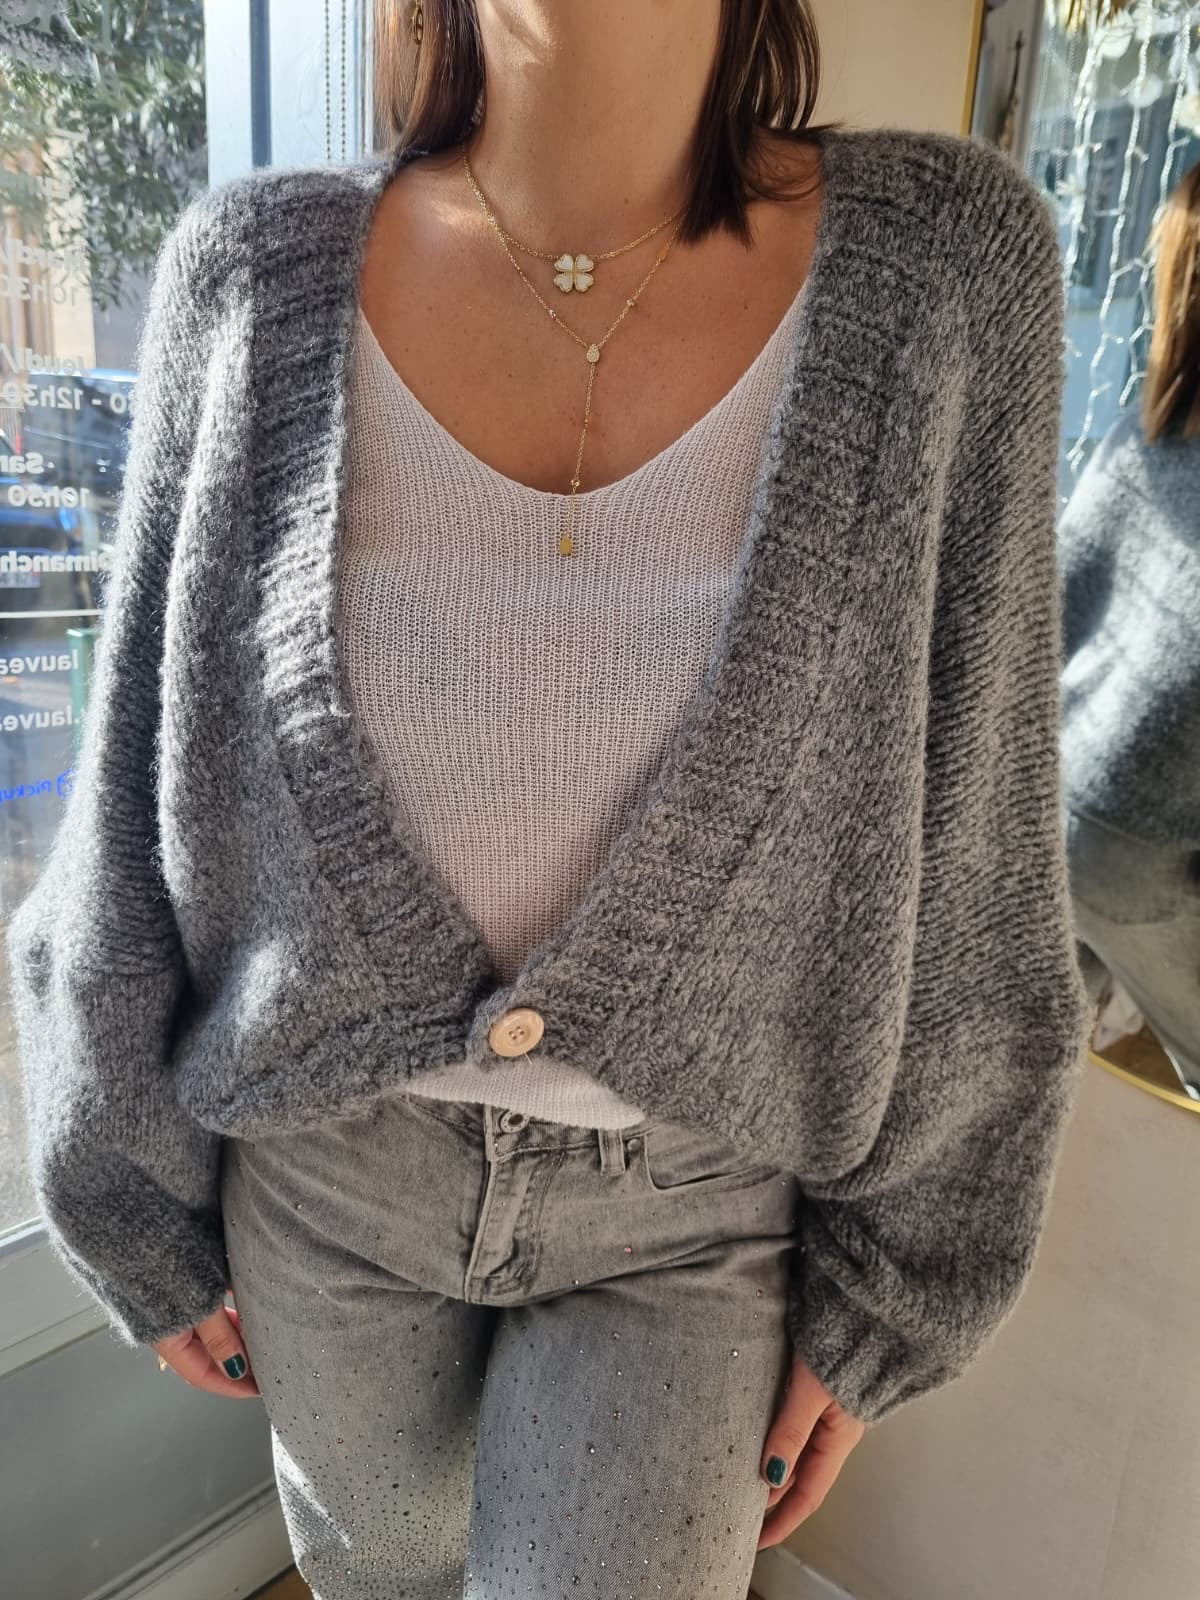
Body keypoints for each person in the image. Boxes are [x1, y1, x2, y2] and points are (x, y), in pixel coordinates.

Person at [5, 2, 1096, 1594]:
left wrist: (902, 1284)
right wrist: (124, 1185)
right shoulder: (251, 275)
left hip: (692, 1218)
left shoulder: (944, 270)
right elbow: (131, 791)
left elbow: (982, 829)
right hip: (325, 1189)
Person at [1059, 158, 1200, 1100]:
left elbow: (1045, 624)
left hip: (1052, 800)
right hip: (1138, 850)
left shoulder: (1137, 445)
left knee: (1041, 1065)